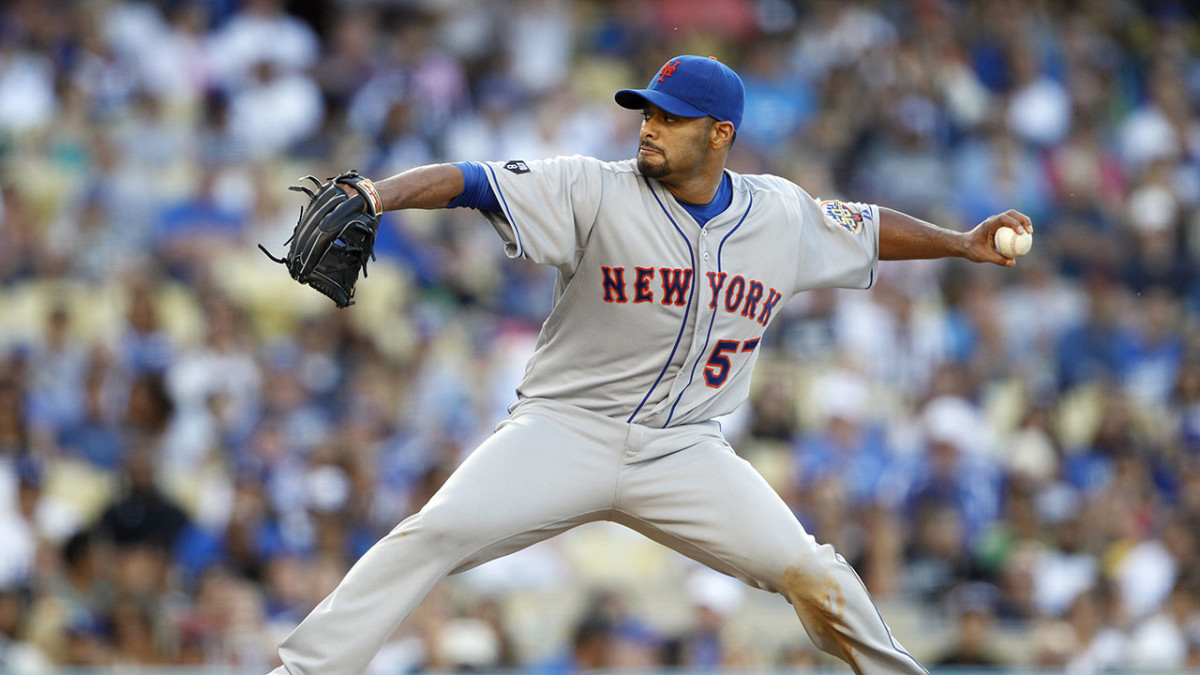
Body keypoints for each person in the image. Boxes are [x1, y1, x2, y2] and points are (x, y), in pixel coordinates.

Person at [269, 55, 1030, 675]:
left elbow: (866, 231)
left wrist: (960, 241)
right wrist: (376, 192)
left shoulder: (778, 213)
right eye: (648, 112)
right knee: (429, 536)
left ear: (720, 134)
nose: (651, 128)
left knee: (811, 569)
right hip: (565, 430)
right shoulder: (593, 187)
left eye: (671, 117)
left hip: (685, 447)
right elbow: (474, 180)